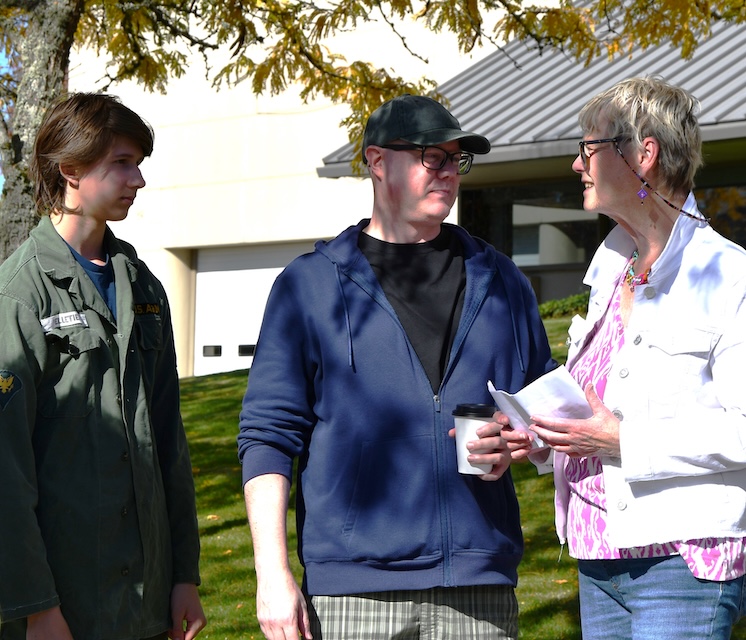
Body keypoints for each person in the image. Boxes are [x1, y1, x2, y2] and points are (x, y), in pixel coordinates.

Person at [237, 93, 556, 640]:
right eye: (433, 157)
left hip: (479, 589)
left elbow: (546, 414)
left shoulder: (502, 281)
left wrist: (525, 442)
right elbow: (268, 436)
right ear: (378, 162)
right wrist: (272, 574)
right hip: (353, 592)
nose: (449, 173)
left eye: (457, 159)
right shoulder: (309, 286)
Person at [504, 76, 746, 639]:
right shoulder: (610, 270)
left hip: (680, 560)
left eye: (589, 148)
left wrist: (624, 441)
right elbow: (598, 411)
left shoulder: (728, 275)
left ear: (643, 156)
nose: (576, 164)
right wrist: (540, 439)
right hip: (598, 555)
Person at [0, 93, 206, 640]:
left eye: (139, 164)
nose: (137, 179)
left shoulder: (142, 286)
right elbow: (5, 471)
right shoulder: (19, 295)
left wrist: (184, 575)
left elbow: (169, 442)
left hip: (144, 604)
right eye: (121, 162)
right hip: (62, 609)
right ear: (69, 168)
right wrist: (35, 606)